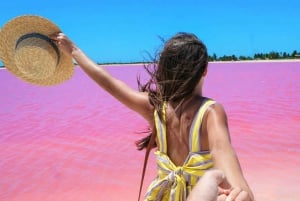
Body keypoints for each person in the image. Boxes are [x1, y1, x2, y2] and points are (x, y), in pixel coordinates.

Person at [50, 32, 254, 201]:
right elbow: (224, 156)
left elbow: (110, 84)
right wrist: (241, 190)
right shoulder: (210, 112)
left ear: (164, 70)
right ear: (205, 70)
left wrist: (74, 51)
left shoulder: (156, 109)